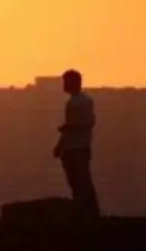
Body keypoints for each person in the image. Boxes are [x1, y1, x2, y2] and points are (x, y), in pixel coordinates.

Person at [52, 69, 100, 218]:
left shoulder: (83, 101)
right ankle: (82, 208)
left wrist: (70, 127)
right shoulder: (72, 102)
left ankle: (89, 210)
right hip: (71, 147)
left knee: (82, 180)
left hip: (79, 147)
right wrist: (60, 144)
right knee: (74, 180)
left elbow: (88, 122)